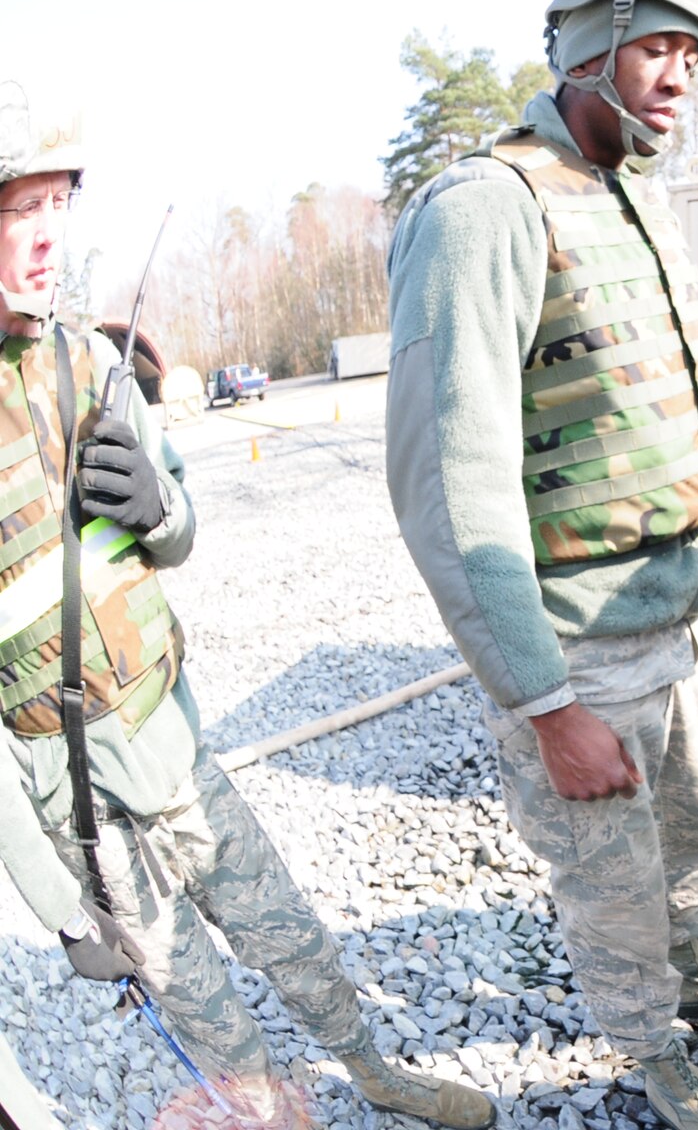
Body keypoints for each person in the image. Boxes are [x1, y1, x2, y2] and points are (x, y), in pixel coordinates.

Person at [0, 85, 492, 1128]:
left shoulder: (85, 358)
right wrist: (51, 897)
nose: (47, 238)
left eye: (58, 207)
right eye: (18, 211)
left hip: (175, 739)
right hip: (76, 792)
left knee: (291, 934)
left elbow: (175, 532)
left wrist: (153, 496)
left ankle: (376, 1072)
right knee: (208, 1014)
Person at [384, 0, 698, 1130]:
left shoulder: (633, 195)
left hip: (673, 620)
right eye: (658, 46)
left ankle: (688, 973)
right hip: (576, 645)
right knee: (607, 878)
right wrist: (543, 703)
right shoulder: (485, 207)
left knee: (687, 833)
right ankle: (650, 1047)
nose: (679, 75)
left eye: (693, 55)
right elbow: (448, 482)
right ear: (587, 46)